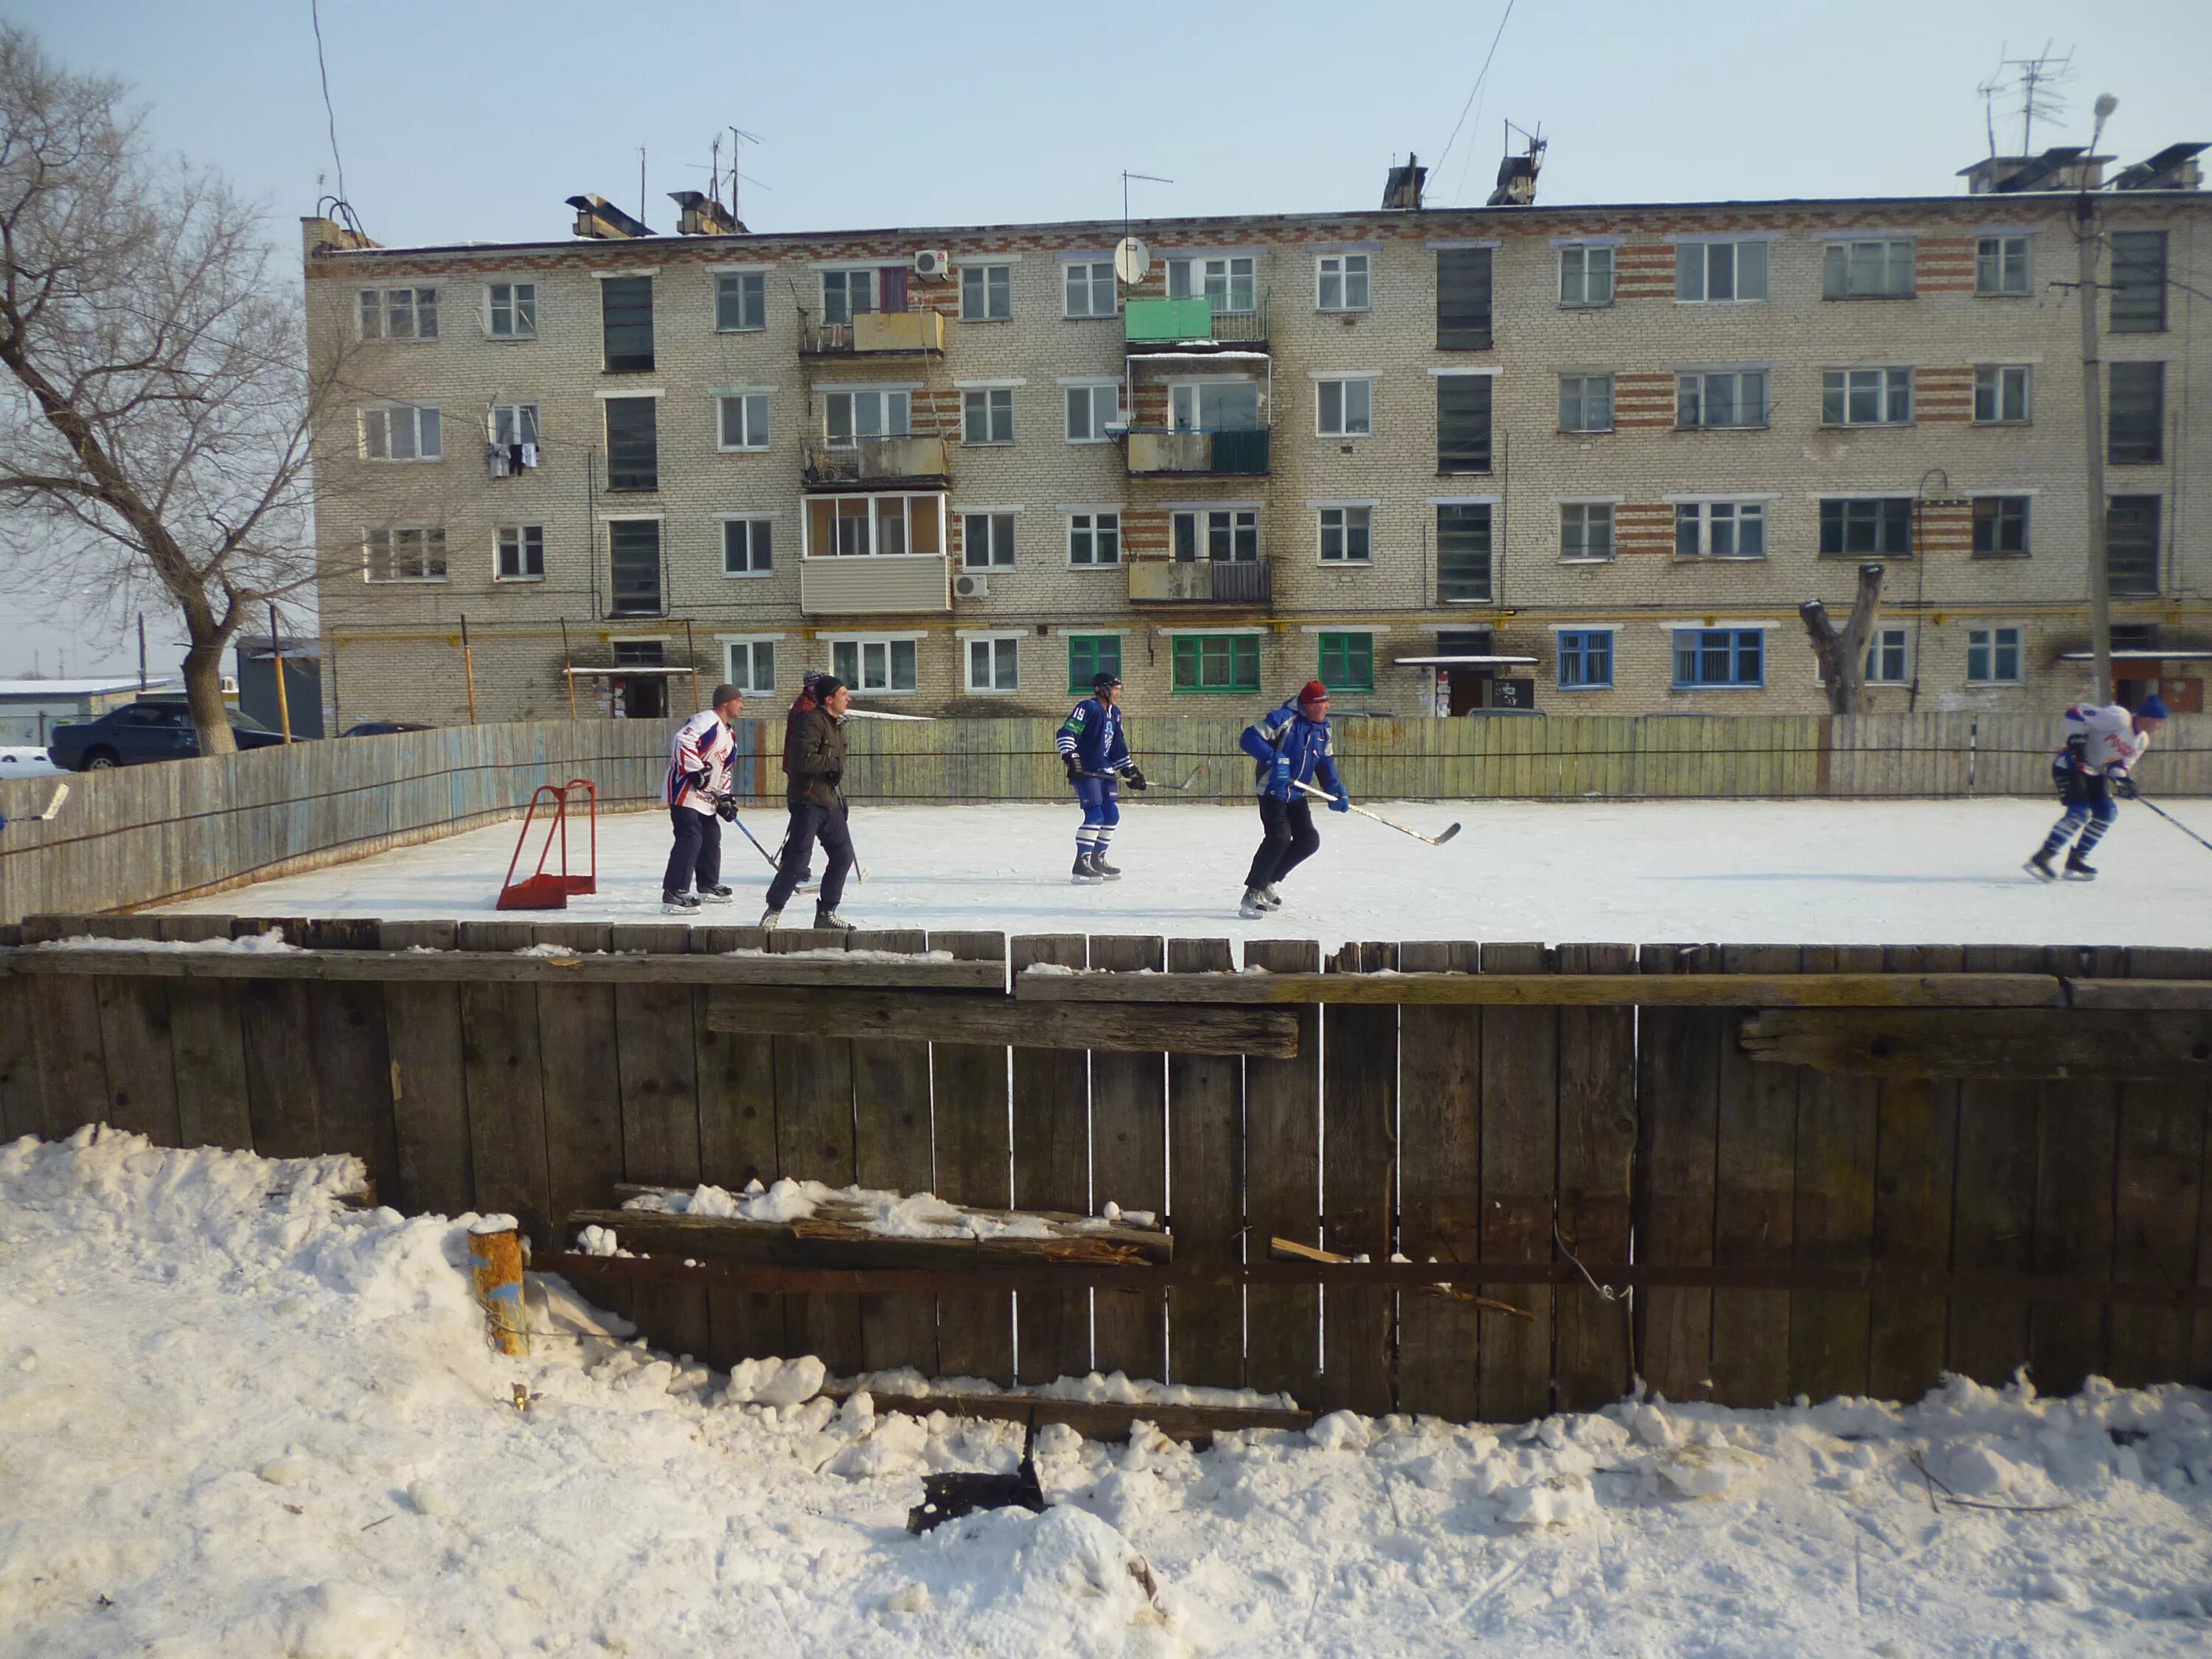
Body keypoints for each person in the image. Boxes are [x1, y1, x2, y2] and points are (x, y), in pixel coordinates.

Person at [1236, 680, 1349, 918]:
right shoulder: (1284, 719)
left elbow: (1325, 763)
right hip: (1273, 791)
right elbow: (1248, 738)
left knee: (1308, 840)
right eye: (1323, 703)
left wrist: (1334, 788)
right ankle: (1253, 892)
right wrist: (1273, 758)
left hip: (1297, 794)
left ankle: (1268, 882)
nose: (1328, 707)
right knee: (1279, 837)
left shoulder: (1323, 730)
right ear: (1308, 705)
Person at [2026, 694, 2168, 882]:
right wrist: (2076, 738)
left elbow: (2120, 766)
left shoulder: (2141, 740)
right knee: (2079, 813)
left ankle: (2076, 860)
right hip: (2071, 765)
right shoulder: (2119, 718)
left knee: (2107, 813)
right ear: (2148, 718)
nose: (2161, 726)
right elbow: (2076, 712)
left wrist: (2125, 782)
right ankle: (2042, 857)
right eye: (2159, 722)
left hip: (2095, 772)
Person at [763, 675, 858, 929]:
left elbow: (833, 764)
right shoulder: (811, 722)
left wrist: (837, 776)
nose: (848, 699)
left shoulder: (837, 726)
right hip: (807, 800)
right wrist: (832, 765)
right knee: (797, 859)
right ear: (829, 699)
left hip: (828, 799)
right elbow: (802, 760)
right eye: (843, 694)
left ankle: (826, 912)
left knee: (843, 855)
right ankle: (773, 910)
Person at [1055, 671, 1147, 884]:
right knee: (1095, 816)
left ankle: (1098, 859)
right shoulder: (1087, 707)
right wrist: (1072, 759)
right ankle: (1081, 864)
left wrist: (1131, 771)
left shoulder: (1115, 713)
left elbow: (1118, 747)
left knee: (1112, 816)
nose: (1118, 693)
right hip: (1088, 771)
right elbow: (1066, 733)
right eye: (1115, 689)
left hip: (1106, 772)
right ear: (1103, 689)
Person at [662, 684, 745, 914]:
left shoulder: (730, 734)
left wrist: (725, 797)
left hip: (705, 797)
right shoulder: (707, 719)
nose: (742, 705)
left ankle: (707, 884)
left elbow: (724, 770)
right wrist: (695, 770)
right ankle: (674, 891)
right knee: (690, 837)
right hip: (685, 792)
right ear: (726, 703)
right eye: (739, 700)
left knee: (711, 836)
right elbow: (682, 740)